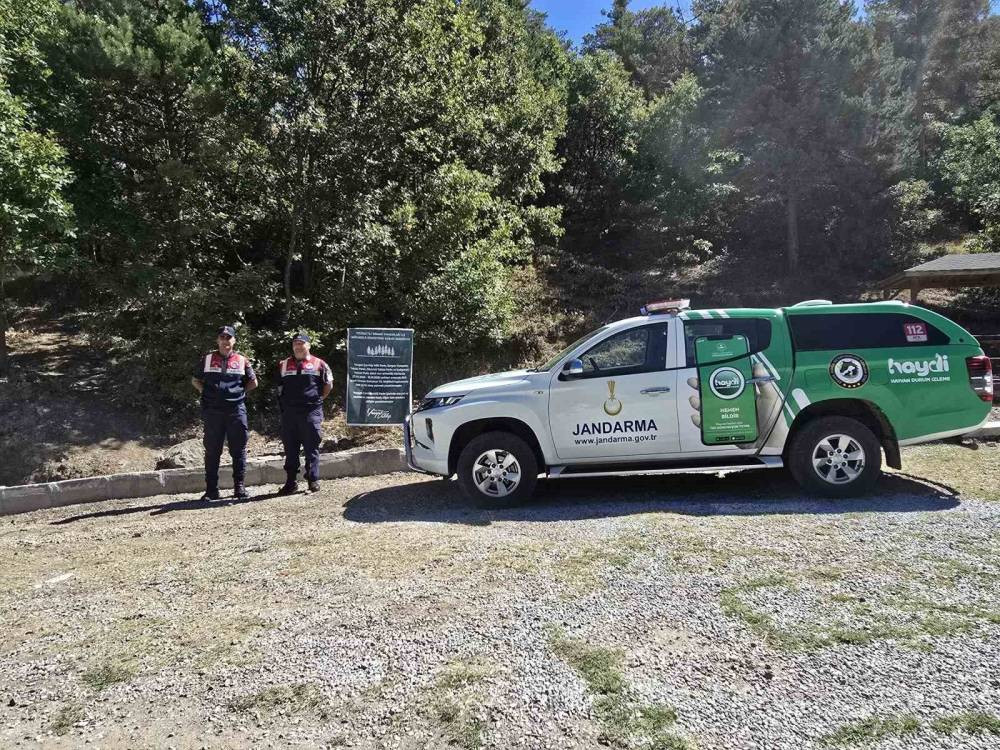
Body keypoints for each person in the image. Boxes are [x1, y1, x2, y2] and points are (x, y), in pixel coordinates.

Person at [191, 325, 257, 500]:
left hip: (236, 410)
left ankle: (239, 488)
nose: (225, 341)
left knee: (238, 449)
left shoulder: (242, 360)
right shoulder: (207, 359)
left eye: (229, 338)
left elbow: (253, 382)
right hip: (213, 412)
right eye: (222, 337)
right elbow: (195, 380)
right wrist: (206, 393)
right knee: (212, 450)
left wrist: (239, 394)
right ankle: (212, 490)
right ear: (217, 340)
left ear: (233, 341)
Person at [276, 333, 333, 494]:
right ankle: (291, 483)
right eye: (295, 344)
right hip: (290, 414)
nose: (298, 347)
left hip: (311, 412)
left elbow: (328, 385)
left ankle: (313, 480)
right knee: (290, 449)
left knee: (311, 447)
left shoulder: (319, 364)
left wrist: (317, 399)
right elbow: (279, 388)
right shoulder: (283, 365)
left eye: (302, 343)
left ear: (308, 345)